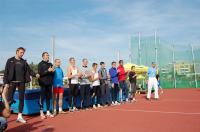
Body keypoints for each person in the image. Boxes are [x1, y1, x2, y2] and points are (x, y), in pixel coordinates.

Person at [3, 47, 39, 123]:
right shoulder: (10, 60)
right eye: (21, 52)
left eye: (23, 53)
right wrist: (6, 82)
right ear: (17, 52)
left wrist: (36, 74)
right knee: (9, 99)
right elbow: (6, 72)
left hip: (21, 82)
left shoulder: (24, 62)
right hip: (12, 82)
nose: (22, 54)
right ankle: (5, 117)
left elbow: (29, 70)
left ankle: (19, 116)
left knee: (21, 99)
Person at [38, 52, 54, 119]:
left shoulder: (50, 64)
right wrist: (48, 70)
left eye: (48, 55)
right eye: (46, 55)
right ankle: (41, 112)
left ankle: (48, 111)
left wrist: (53, 71)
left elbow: (52, 74)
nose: (48, 56)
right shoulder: (40, 64)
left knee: (48, 98)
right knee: (42, 98)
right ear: (43, 56)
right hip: (43, 83)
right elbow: (40, 74)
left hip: (49, 83)